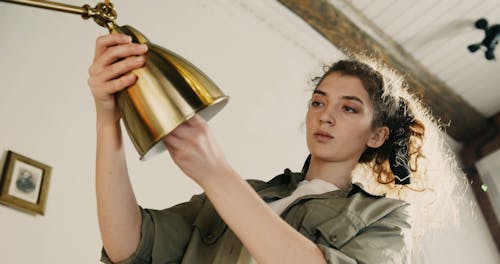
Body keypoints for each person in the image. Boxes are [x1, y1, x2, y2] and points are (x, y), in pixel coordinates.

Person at [88, 33, 462, 264]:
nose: (325, 117)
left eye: (349, 108)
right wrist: (108, 116)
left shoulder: (385, 219)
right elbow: (127, 246)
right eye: (318, 102)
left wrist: (217, 174)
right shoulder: (249, 194)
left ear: (377, 136)